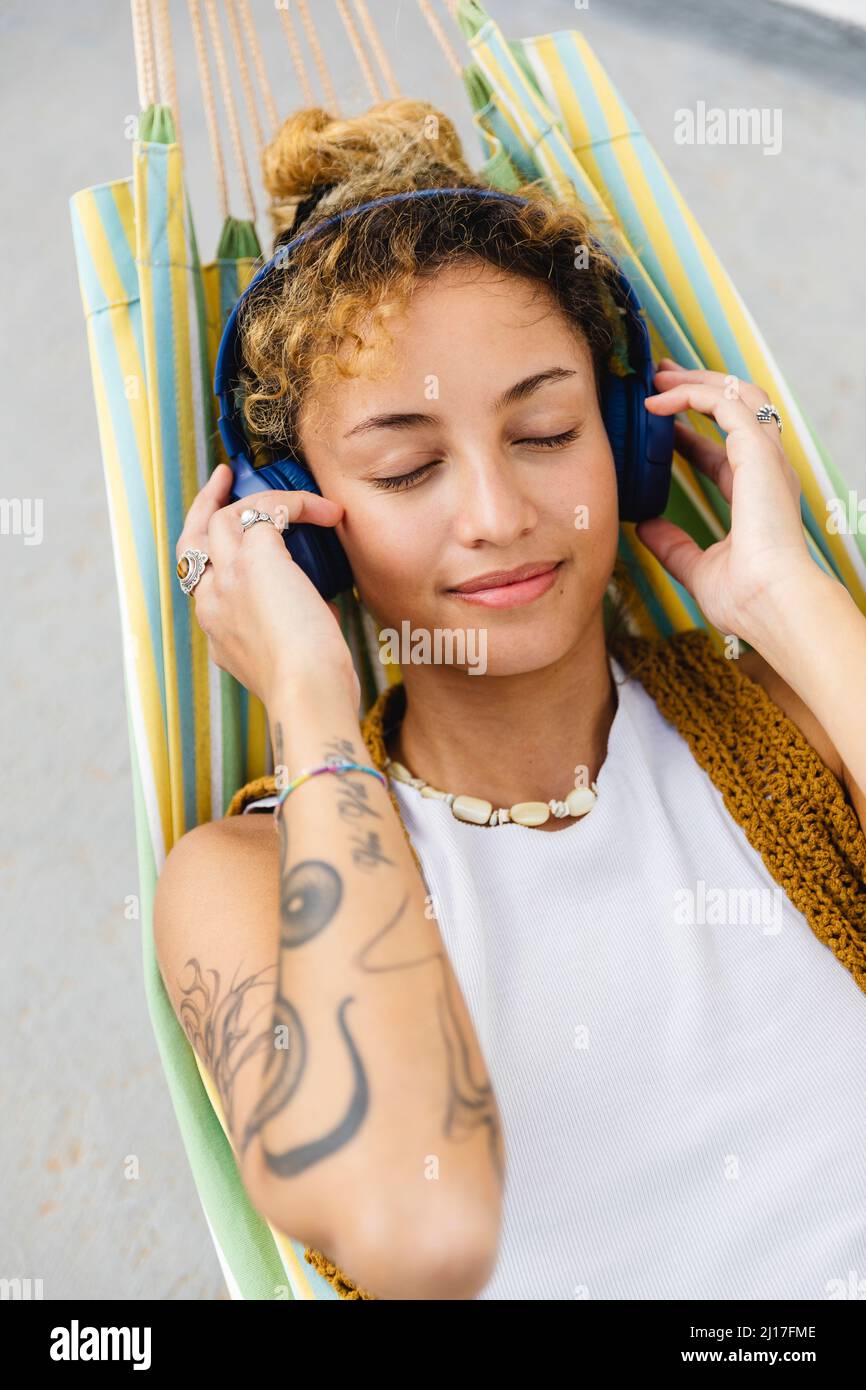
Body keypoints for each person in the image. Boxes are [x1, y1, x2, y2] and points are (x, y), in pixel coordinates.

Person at [154, 100, 866, 1301]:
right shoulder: (242, 881)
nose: (494, 510)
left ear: (625, 449)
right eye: (405, 465)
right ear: (305, 526)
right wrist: (312, 707)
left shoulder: (791, 717)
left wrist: (787, 598)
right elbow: (410, 1222)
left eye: (543, 430)